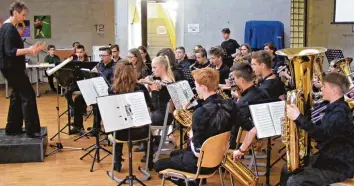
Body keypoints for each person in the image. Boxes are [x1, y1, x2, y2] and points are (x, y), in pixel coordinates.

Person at [154, 68, 252, 186]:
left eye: (196, 86)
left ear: (204, 88)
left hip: (201, 164)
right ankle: (194, 181)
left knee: (158, 165)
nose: (195, 89)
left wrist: (191, 135)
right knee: (174, 154)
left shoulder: (201, 112)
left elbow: (197, 152)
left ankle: (190, 182)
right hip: (218, 160)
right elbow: (252, 128)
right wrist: (242, 150)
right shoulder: (230, 104)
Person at [280, 72, 354, 186]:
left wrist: (298, 118)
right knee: (287, 168)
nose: (321, 89)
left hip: (338, 165)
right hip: (328, 157)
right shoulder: (333, 106)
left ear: (334, 91)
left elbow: (322, 134)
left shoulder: (340, 113)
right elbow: (320, 128)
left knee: (294, 181)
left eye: (324, 86)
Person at [0, 0, 46, 138]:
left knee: (17, 96)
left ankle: (13, 127)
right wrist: (30, 50)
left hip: (9, 68)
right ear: (15, 13)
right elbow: (10, 51)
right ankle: (32, 131)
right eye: (23, 15)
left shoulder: (6, 28)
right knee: (28, 96)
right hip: (12, 69)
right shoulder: (9, 29)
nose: (24, 18)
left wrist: (31, 51)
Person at [107, 60, 154, 171]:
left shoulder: (112, 89)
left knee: (118, 125)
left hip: (120, 134)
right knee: (149, 131)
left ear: (117, 73)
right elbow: (151, 106)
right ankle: (149, 162)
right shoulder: (141, 88)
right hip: (141, 132)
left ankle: (117, 163)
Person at [70, 47, 115, 134]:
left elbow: (112, 84)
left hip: (106, 94)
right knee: (78, 99)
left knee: (97, 103)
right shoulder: (99, 65)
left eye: (104, 55)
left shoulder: (114, 67)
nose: (102, 58)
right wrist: (91, 74)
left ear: (110, 56)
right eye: (100, 55)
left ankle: (96, 128)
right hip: (95, 90)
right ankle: (78, 126)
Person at [228, 62, 270, 154]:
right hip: (263, 130)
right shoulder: (263, 91)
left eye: (235, 78)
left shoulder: (243, 103)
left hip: (243, 139)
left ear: (241, 80)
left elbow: (236, 123)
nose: (234, 81)